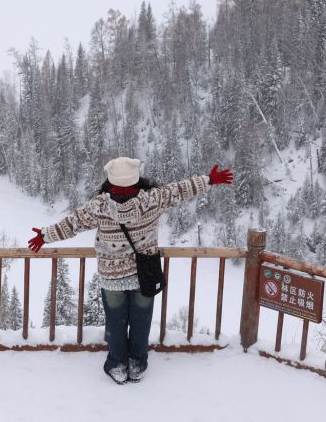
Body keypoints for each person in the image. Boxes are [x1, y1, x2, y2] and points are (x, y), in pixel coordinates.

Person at [27, 157, 234, 384]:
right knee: (141, 321)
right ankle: (137, 364)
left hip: (111, 277)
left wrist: (44, 236)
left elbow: (71, 224)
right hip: (144, 276)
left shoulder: (99, 207)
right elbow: (180, 190)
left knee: (115, 323)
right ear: (137, 179)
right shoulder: (153, 200)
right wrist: (210, 180)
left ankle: (117, 365)